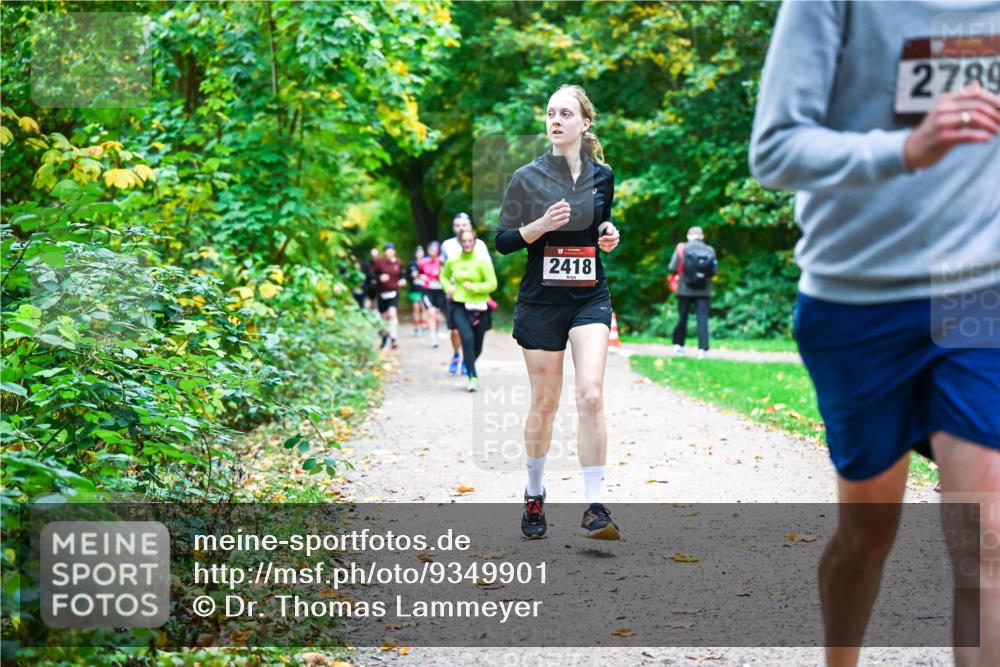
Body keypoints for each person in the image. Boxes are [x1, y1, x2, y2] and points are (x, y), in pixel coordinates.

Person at [751, 3, 1000, 666]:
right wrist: (904, 149)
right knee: (867, 535)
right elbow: (773, 149)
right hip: (856, 296)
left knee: (988, 536)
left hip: (976, 286)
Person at [495, 84, 622, 541]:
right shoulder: (526, 177)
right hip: (542, 301)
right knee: (545, 404)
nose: (555, 120)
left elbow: (601, 221)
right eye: (551, 113)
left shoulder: (602, 175)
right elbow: (504, 240)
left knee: (590, 394)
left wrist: (608, 233)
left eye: (565, 113)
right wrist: (539, 226)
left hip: (589, 295)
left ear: (584, 123)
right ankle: (534, 493)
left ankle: (595, 506)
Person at [440, 229, 497, 392]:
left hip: (480, 306)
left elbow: (492, 284)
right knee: (466, 338)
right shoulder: (453, 260)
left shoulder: (482, 261)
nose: (467, 244)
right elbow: (443, 276)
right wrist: (448, 287)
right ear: (460, 242)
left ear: (474, 242)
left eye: (470, 241)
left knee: (478, 345)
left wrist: (475, 287)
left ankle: (468, 362)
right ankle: (472, 376)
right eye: (464, 241)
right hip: (459, 304)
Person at [668, 226, 717, 359]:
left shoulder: (682, 248)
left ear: (689, 236)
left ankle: (679, 346)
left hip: (684, 290)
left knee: (682, 318)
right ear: (702, 236)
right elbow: (713, 271)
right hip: (704, 291)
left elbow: (672, 267)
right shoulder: (710, 249)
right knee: (702, 319)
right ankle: (702, 350)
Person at [370, 243, 406, 350]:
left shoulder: (399, 262)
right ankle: (384, 336)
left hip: (394, 292)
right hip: (382, 294)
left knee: (392, 314)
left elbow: (402, 274)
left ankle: (393, 338)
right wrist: (379, 277)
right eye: (387, 250)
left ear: (394, 251)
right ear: (385, 252)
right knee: (384, 318)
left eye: (391, 250)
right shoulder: (379, 262)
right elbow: (371, 274)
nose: (389, 252)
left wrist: (402, 280)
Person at [419, 241, 447, 349]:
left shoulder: (441, 261)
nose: (433, 252)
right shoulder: (423, 262)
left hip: (439, 290)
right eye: (431, 250)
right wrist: (422, 277)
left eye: (435, 250)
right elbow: (419, 273)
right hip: (427, 290)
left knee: (438, 316)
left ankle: (435, 332)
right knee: (431, 312)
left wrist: (440, 274)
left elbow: (447, 274)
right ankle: (432, 336)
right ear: (428, 250)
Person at [407, 245, 426, 336]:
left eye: (421, 252)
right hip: (414, 289)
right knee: (416, 308)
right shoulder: (412, 264)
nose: (419, 254)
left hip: (425, 289)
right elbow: (407, 276)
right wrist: (412, 275)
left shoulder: (426, 263)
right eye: (418, 252)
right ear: (415, 254)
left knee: (424, 307)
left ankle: (424, 326)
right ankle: (416, 327)